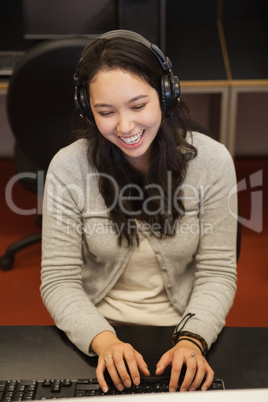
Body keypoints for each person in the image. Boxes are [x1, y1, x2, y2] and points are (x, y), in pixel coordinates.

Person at [41, 30, 238, 393]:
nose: (126, 126)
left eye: (137, 105)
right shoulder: (68, 167)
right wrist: (105, 341)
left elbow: (217, 272)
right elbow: (58, 281)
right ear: (88, 110)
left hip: (185, 329)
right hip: (97, 330)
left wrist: (193, 339)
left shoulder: (213, 162)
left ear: (166, 96)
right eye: (106, 112)